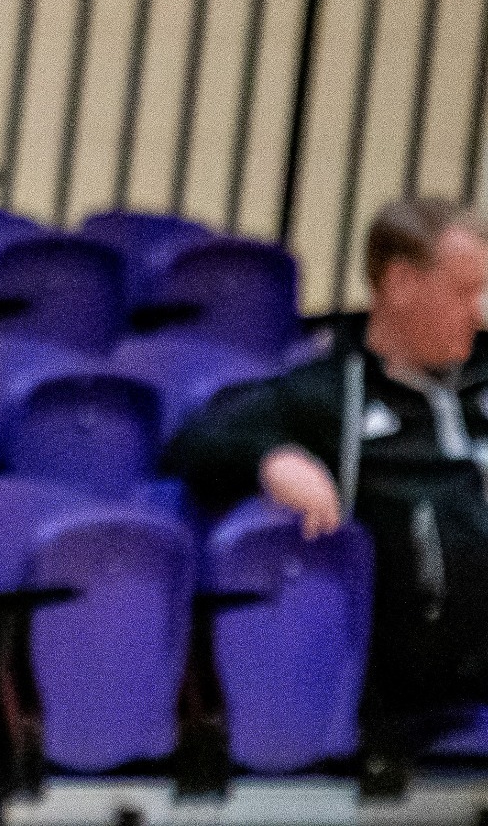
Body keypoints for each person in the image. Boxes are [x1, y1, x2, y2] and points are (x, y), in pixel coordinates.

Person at [168, 197, 488, 770]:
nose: (482, 311)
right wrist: (271, 459)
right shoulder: (325, 393)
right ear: (400, 283)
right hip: (395, 702)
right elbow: (197, 440)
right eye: (465, 291)